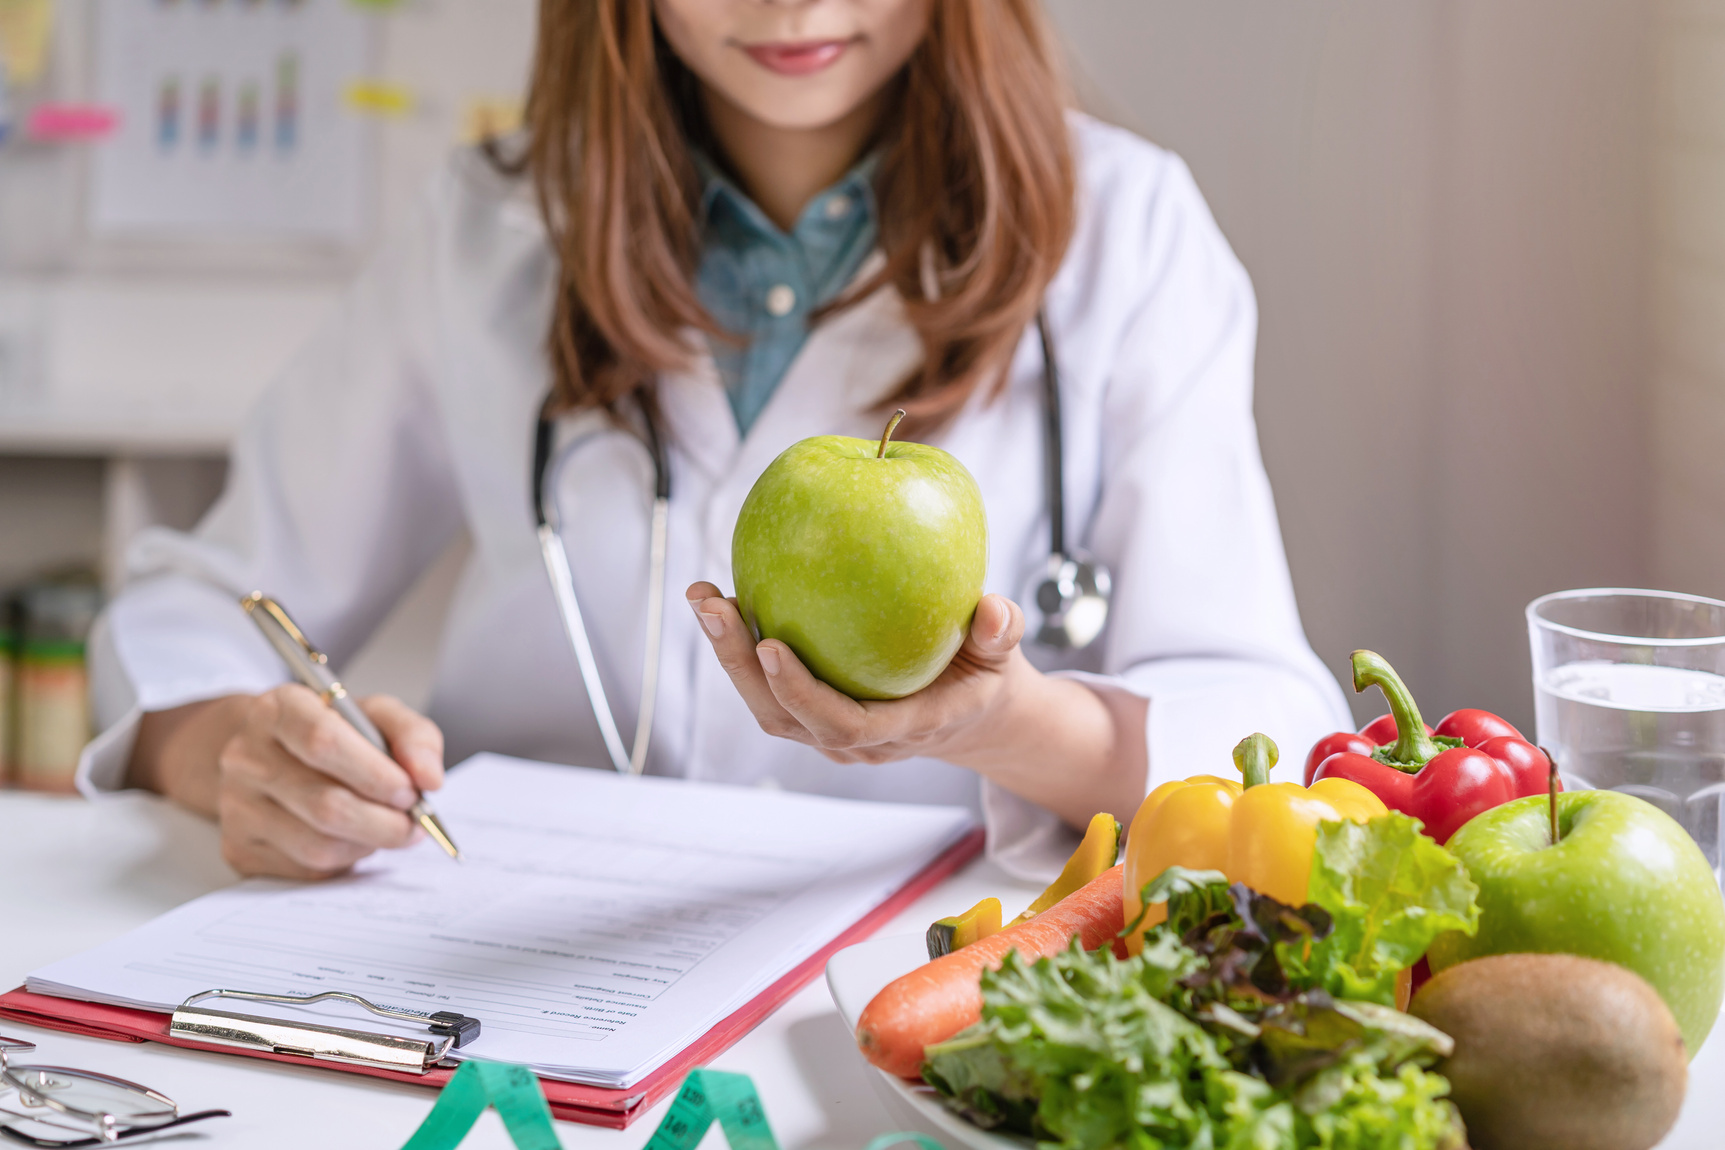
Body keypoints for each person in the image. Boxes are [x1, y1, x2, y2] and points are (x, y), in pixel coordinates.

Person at [81, 0, 1349, 881]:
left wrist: (986, 724)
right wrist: (229, 748)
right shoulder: (493, 230)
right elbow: (202, 604)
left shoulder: (1127, 232)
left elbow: (1268, 723)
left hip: (917, 995)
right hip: (521, 974)